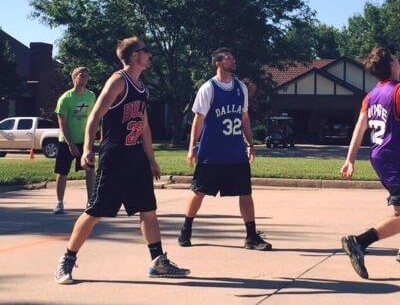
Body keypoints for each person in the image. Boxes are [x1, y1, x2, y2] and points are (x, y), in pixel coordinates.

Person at [55, 37, 190, 284]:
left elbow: (145, 126)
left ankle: (157, 261)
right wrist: (87, 148)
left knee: (148, 210)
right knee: (95, 212)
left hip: (136, 156)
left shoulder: (142, 86)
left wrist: (151, 159)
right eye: (145, 51)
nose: (149, 54)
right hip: (114, 156)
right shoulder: (119, 81)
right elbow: (95, 115)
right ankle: (67, 260)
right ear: (134, 56)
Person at [340, 47, 400, 280]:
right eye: (396, 57)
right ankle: (359, 242)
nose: (398, 59)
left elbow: (359, 128)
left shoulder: (371, 96)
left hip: (383, 155)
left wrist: (350, 159)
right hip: (394, 158)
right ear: (393, 64)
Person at [177, 47, 271, 251]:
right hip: (212, 153)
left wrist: (250, 143)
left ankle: (251, 237)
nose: (233, 61)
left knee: (245, 193)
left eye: (233, 57)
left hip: (235, 153)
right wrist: (192, 147)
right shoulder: (208, 88)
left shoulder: (241, 87)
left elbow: (244, 117)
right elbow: (198, 119)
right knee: (199, 191)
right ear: (218, 63)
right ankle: (186, 229)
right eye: (229, 58)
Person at [53, 67, 96, 214]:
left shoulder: (91, 96)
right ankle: (59, 203)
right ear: (74, 78)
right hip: (67, 141)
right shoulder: (66, 98)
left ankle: (90, 202)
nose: (84, 78)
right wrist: (70, 144)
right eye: (81, 75)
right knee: (62, 172)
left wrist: (90, 141)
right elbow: (62, 123)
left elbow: (93, 117)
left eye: (86, 76)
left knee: (90, 171)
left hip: (85, 141)